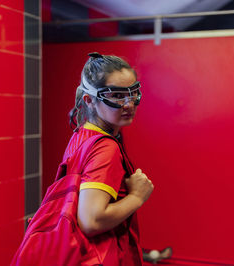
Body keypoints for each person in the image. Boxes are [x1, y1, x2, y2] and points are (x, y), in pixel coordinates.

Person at [65, 52, 154, 265]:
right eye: (116, 96)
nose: (129, 104)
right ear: (90, 100)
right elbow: (91, 220)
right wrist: (137, 197)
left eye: (132, 93)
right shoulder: (105, 148)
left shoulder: (81, 135)